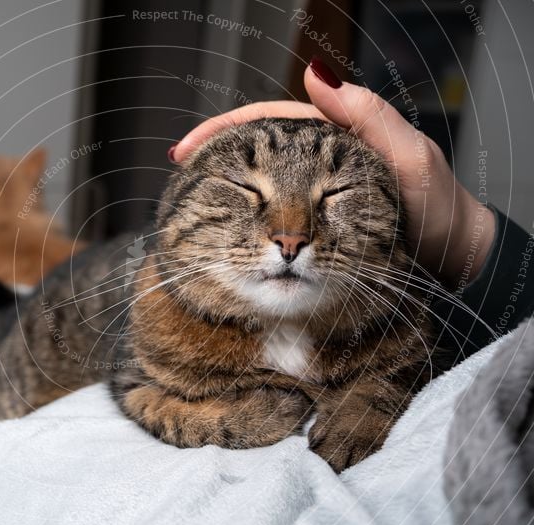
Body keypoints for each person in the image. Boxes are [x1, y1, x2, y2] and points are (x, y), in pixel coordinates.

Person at [168, 56, 534, 368]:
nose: (291, 235)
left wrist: (462, 230)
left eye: (338, 192)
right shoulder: (160, 322)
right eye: (245, 189)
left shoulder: (403, 339)